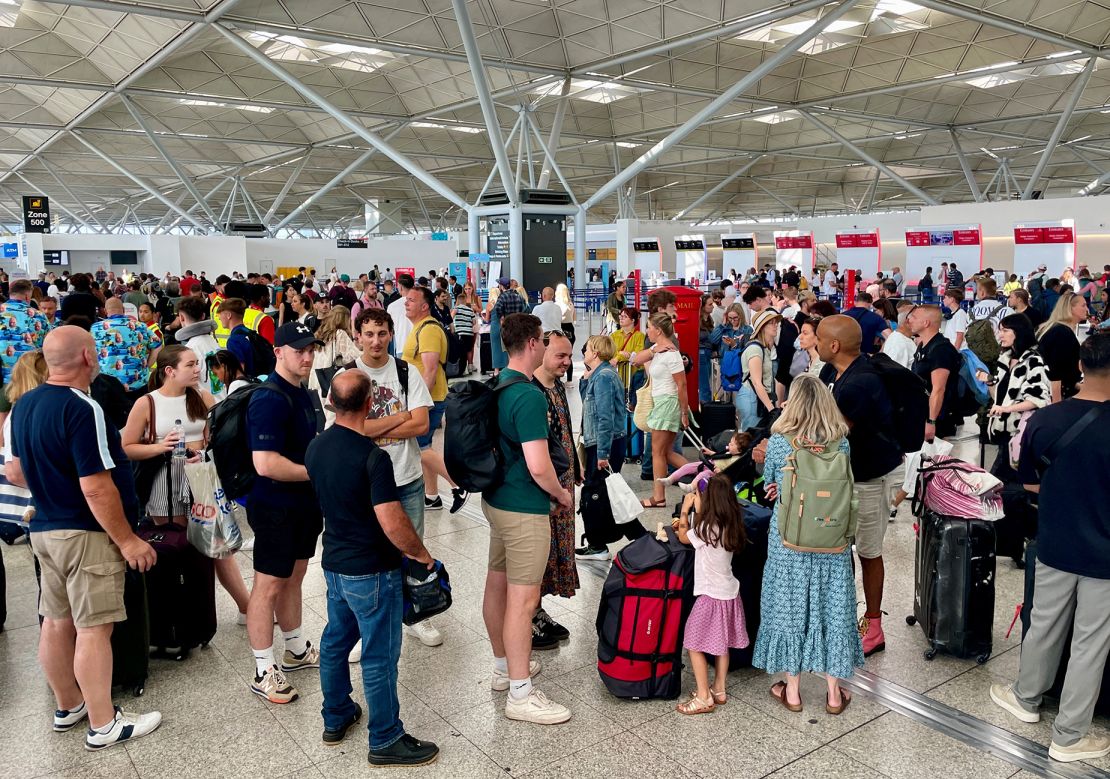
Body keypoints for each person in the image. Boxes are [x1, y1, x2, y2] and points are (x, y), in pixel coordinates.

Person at [6, 326, 162, 748]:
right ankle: (103, 722)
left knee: (56, 621)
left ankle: (67, 705)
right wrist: (128, 540)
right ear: (88, 357)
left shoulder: (22, 406)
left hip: (43, 530)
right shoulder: (83, 407)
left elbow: (16, 471)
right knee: (95, 628)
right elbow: (96, 485)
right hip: (86, 534)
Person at [303, 371, 440, 767]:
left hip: (334, 566)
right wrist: (421, 555)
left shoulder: (316, 448)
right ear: (369, 406)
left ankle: (336, 714)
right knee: (380, 655)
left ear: (330, 401)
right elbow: (392, 520)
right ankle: (385, 737)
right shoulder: (372, 458)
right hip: (372, 570)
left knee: (334, 641)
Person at [990, 331, 1110, 763]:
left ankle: (1025, 697)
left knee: (1044, 621)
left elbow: (1030, 480)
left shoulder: (1045, 419)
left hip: (1055, 538)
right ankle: (1071, 734)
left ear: (1081, 365)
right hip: (1104, 555)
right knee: (1091, 641)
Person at [752, 373, 863, 713]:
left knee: (789, 606)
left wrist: (778, 488)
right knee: (833, 607)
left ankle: (794, 692)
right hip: (832, 538)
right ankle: (833, 694)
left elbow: (771, 483)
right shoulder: (841, 442)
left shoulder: (782, 441)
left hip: (790, 538)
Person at [481, 313, 572, 724]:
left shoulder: (499, 383)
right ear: (534, 343)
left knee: (497, 584)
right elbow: (539, 465)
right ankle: (521, 694)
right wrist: (560, 493)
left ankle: (504, 668)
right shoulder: (530, 395)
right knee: (524, 601)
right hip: (524, 508)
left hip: (497, 499)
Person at [121, 346, 252, 623]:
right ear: (170, 371)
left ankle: (246, 607)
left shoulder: (202, 397)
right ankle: (180, 616)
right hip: (164, 480)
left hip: (200, 476)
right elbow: (127, 447)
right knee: (177, 543)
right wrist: (160, 447)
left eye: (197, 364)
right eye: (190, 365)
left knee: (217, 544)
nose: (197, 370)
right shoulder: (148, 403)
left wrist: (205, 449)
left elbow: (216, 438)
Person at [347, 308, 440, 654]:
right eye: (368, 334)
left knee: (413, 549)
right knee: (369, 556)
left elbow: (421, 426)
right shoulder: (348, 376)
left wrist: (374, 426)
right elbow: (349, 429)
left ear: (390, 334)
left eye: (382, 333)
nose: (375, 340)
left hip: (408, 477)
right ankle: (363, 629)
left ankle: (416, 615)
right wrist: (401, 415)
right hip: (367, 483)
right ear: (358, 335)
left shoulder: (406, 371)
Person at [244, 322, 324, 705]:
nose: (306, 356)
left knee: (295, 575)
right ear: (279, 352)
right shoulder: (269, 399)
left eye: (310, 349)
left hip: (303, 504)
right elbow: (266, 463)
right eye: (298, 350)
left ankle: (294, 648)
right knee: (268, 584)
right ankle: (263, 669)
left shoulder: (303, 393)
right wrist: (318, 472)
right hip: (275, 506)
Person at [817, 316, 904, 657]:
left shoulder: (859, 383)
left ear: (834, 346)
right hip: (846, 476)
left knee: (868, 551)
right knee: (841, 548)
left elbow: (833, 433)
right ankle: (845, 615)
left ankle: (873, 624)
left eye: (820, 338)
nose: (815, 344)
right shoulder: (833, 373)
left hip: (869, 478)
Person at [672, 474, 749, 714]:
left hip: (710, 596)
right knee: (721, 645)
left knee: (694, 643)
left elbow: (684, 537)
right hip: (730, 593)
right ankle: (719, 688)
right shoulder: (731, 524)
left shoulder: (706, 528)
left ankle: (704, 696)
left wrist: (686, 511)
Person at [530, 330, 578, 648]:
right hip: (545, 488)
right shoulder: (530, 392)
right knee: (537, 556)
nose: (567, 362)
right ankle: (529, 617)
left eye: (569, 356)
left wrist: (577, 462)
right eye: (561, 355)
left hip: (564, 481)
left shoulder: (557, 385)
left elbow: (565, 429)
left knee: (553, 551)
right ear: (542, 352)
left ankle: (538, 610)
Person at [575, 335, 643, 560]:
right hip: (604, 440)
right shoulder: (600, 375)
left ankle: (599, 544)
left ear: (595, 352)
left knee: (595, 490)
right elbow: (589, 403)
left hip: (605, 442)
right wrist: (585, 379)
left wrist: (602, 452)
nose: (584, 351)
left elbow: (604, 417)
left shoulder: (604, 376)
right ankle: (634, 536)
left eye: (587, 349)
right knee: (605, 491)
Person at [401, 286, 468, 514]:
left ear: (424, 306)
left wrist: (418, 402)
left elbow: (429, 370)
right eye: (406, 299)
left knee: (418, 447)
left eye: (411, 300)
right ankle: (432, 496)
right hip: (427, 396)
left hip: (429, 397)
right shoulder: (419, 327)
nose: (406, 303)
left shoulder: (428, 330)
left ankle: (458, 484)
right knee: (424, 446)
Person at [979, 313, 1050, 481]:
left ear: (1018, 332)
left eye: (1005, 330)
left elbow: (1037, 399)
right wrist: (989, 382)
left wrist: (1006, 409)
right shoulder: (1005, 359)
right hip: (1004, 433)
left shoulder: (1033, 361)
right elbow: (1000, 397)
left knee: (1002, 483)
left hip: (1021, 433)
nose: (1000, 335)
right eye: (1000, 330)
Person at [640, 313, 690, 508]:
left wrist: (684, 412)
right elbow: (636, 359)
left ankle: (658, 497)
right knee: (666, 452)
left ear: (658, 330)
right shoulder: (661, 350)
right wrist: (655, 348)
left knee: (658, 452)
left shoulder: (672, 354)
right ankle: (704, 476)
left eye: (649, 327)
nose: (647, 331)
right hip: (663, 403)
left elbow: (682, 385)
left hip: (667, 404)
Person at [908, 305, 963, 441]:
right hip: (922, 413)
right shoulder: (924, 345)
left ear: (926, 323)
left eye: (914, 317)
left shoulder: (941, 350)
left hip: (938, 419)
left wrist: (931, 422)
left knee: (936, 460)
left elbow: (938, 389)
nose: (909, 320)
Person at [91, 297, 158, 401]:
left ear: (105, 311)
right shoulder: (141, 326)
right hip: (138, 384)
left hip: (106, 386)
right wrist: (147, 366)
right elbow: (157, 346)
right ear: (123, 309)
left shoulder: (95, 328)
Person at [659, 431, 752, 494]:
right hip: (709, 463)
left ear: (739, 451)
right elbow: (720, 456)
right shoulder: (729, 452)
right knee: (687, 466)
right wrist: (710, 452)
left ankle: (691, 487)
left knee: (703, 475)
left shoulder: (735, 460)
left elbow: (730, 471)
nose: (729, 445)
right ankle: (670, 479)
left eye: (732, 444)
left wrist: (720, 471)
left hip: (714, 472)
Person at [1037, 291, 1088, 403]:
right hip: (1059, 396)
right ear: (1070, 308)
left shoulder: (1057, 329)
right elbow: (1056, 373)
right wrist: (1057, 405)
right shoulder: (1062, 333)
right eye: (1083, 305)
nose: (1087, 309)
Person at [736, 310, 781, 432]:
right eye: (771, 323)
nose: (775, 325)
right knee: (750, 437)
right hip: (752, 398)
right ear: (762, 327)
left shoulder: (764, 348)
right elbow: (756, 382)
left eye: (776, 322)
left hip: (756, 398)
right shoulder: (755, 349)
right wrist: (771, 409)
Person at [0, 279, 49, 383]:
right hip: (30, 376)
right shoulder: (39, 316)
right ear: (27, 296)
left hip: (2, 377)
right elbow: (48, 344)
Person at [175, 295, 220, 393]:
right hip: (222, 398)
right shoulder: (213, 341)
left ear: (181, 318)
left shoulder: (189, 349)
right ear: (203, 316)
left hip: (205, 402)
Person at [489, 277, 527, 373]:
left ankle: (511, 371)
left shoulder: (502, 297)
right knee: (517, 349)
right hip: (518, 326)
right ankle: (518, 370)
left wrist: (502, 318)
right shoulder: (518, 296)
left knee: (508, 350)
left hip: (507, 326)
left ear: (502, 286)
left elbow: (497, 309)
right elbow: (526, 309)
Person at [610, 306, 645, 386]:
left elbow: (636, 355)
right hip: (617, 375)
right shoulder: (614, 335)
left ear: (633, 320)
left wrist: (618, 357)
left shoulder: (640, 336)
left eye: (625, 316)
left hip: (634, 375)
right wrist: (623, 354)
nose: (621, 318)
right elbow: (610, 352)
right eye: (621, 316)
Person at [453, 282, 481, 373]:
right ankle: (463, 365)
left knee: (471, 345)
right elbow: (455, 308)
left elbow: (481, 310)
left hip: (473, 322)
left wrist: (475, 308)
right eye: (466, 289)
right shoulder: (461, 298)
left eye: (469, 288)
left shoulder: (477, 298)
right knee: (463, 345)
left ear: (472, 288)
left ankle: (471, 364)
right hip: (463, 324)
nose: (468, 291)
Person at [881, 300, 917, 369]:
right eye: (917, 318)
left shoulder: (900, 339)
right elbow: (895, 374)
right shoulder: (899, 343)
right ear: (908, 321)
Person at [788, 315, 825, 379]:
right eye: (801, 332)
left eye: (805, 333)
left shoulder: (823, 363)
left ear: (817, 337)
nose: (800, 337)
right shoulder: (808, 358)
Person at [387, 274, 415, 357]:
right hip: (419, 346)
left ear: (401, 287)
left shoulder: (392, 306)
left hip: (401, 346)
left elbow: (389, 328)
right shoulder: (420, 304)